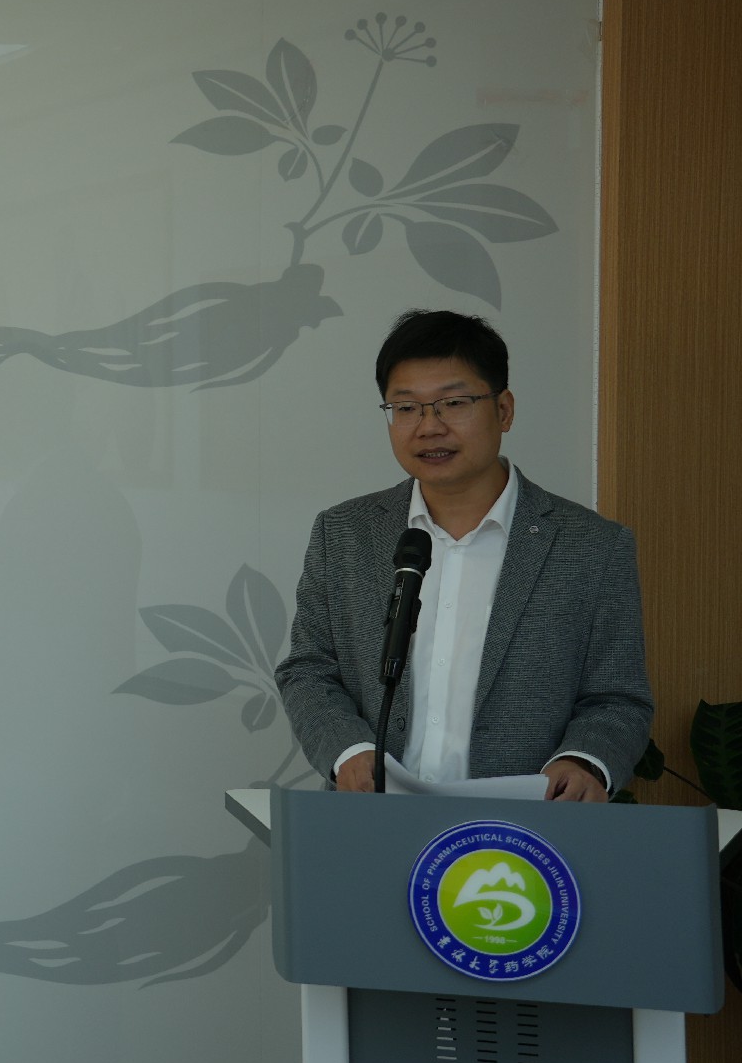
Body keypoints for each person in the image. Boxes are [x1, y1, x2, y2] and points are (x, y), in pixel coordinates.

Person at [275, 309, 651, 799]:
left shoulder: (592, 546)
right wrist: (348, 751)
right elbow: (308, 669)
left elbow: (617, 698)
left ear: (504, 410)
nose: (428, 427)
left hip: (521, 827)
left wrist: (584, 761)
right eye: (405, 407)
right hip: (373, 817)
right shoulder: (344, 532)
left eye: (453, 403)